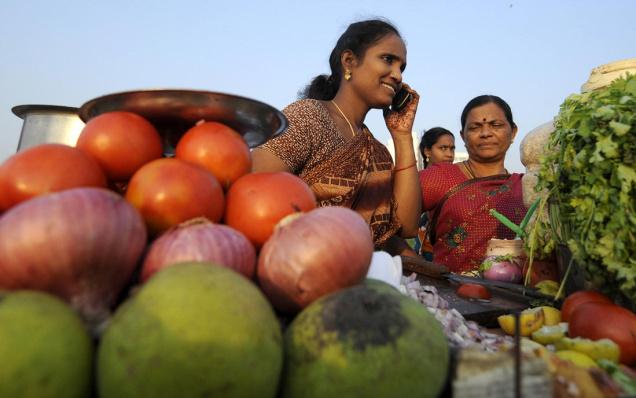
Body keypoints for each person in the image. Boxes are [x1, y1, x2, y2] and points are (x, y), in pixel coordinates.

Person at [252, 19, 421, 251]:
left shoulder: (380, 153)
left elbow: (407, 228)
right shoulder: (309, 117)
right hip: (297, 264)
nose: (398, 75)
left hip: (359, 277)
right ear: (349, 61)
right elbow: (253, 191)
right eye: (388, 59)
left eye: (401, 67)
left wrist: (402, 136)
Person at [419, 95, 526, 273]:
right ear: (463, 135)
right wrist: (421, 267)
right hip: (450, 295)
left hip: (517, 296)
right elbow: (385, 219)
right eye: (475, 127)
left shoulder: (527, 186)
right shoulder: (440, 177)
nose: (485, 133)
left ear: (513, 131)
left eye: (496, 125)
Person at [413, 127, 455, 259]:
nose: (449, 154)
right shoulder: (415, 181)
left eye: (452, 148)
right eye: (443, 148)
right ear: (427, 151)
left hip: (452, 255)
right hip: (426, 254)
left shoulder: (457, 179)